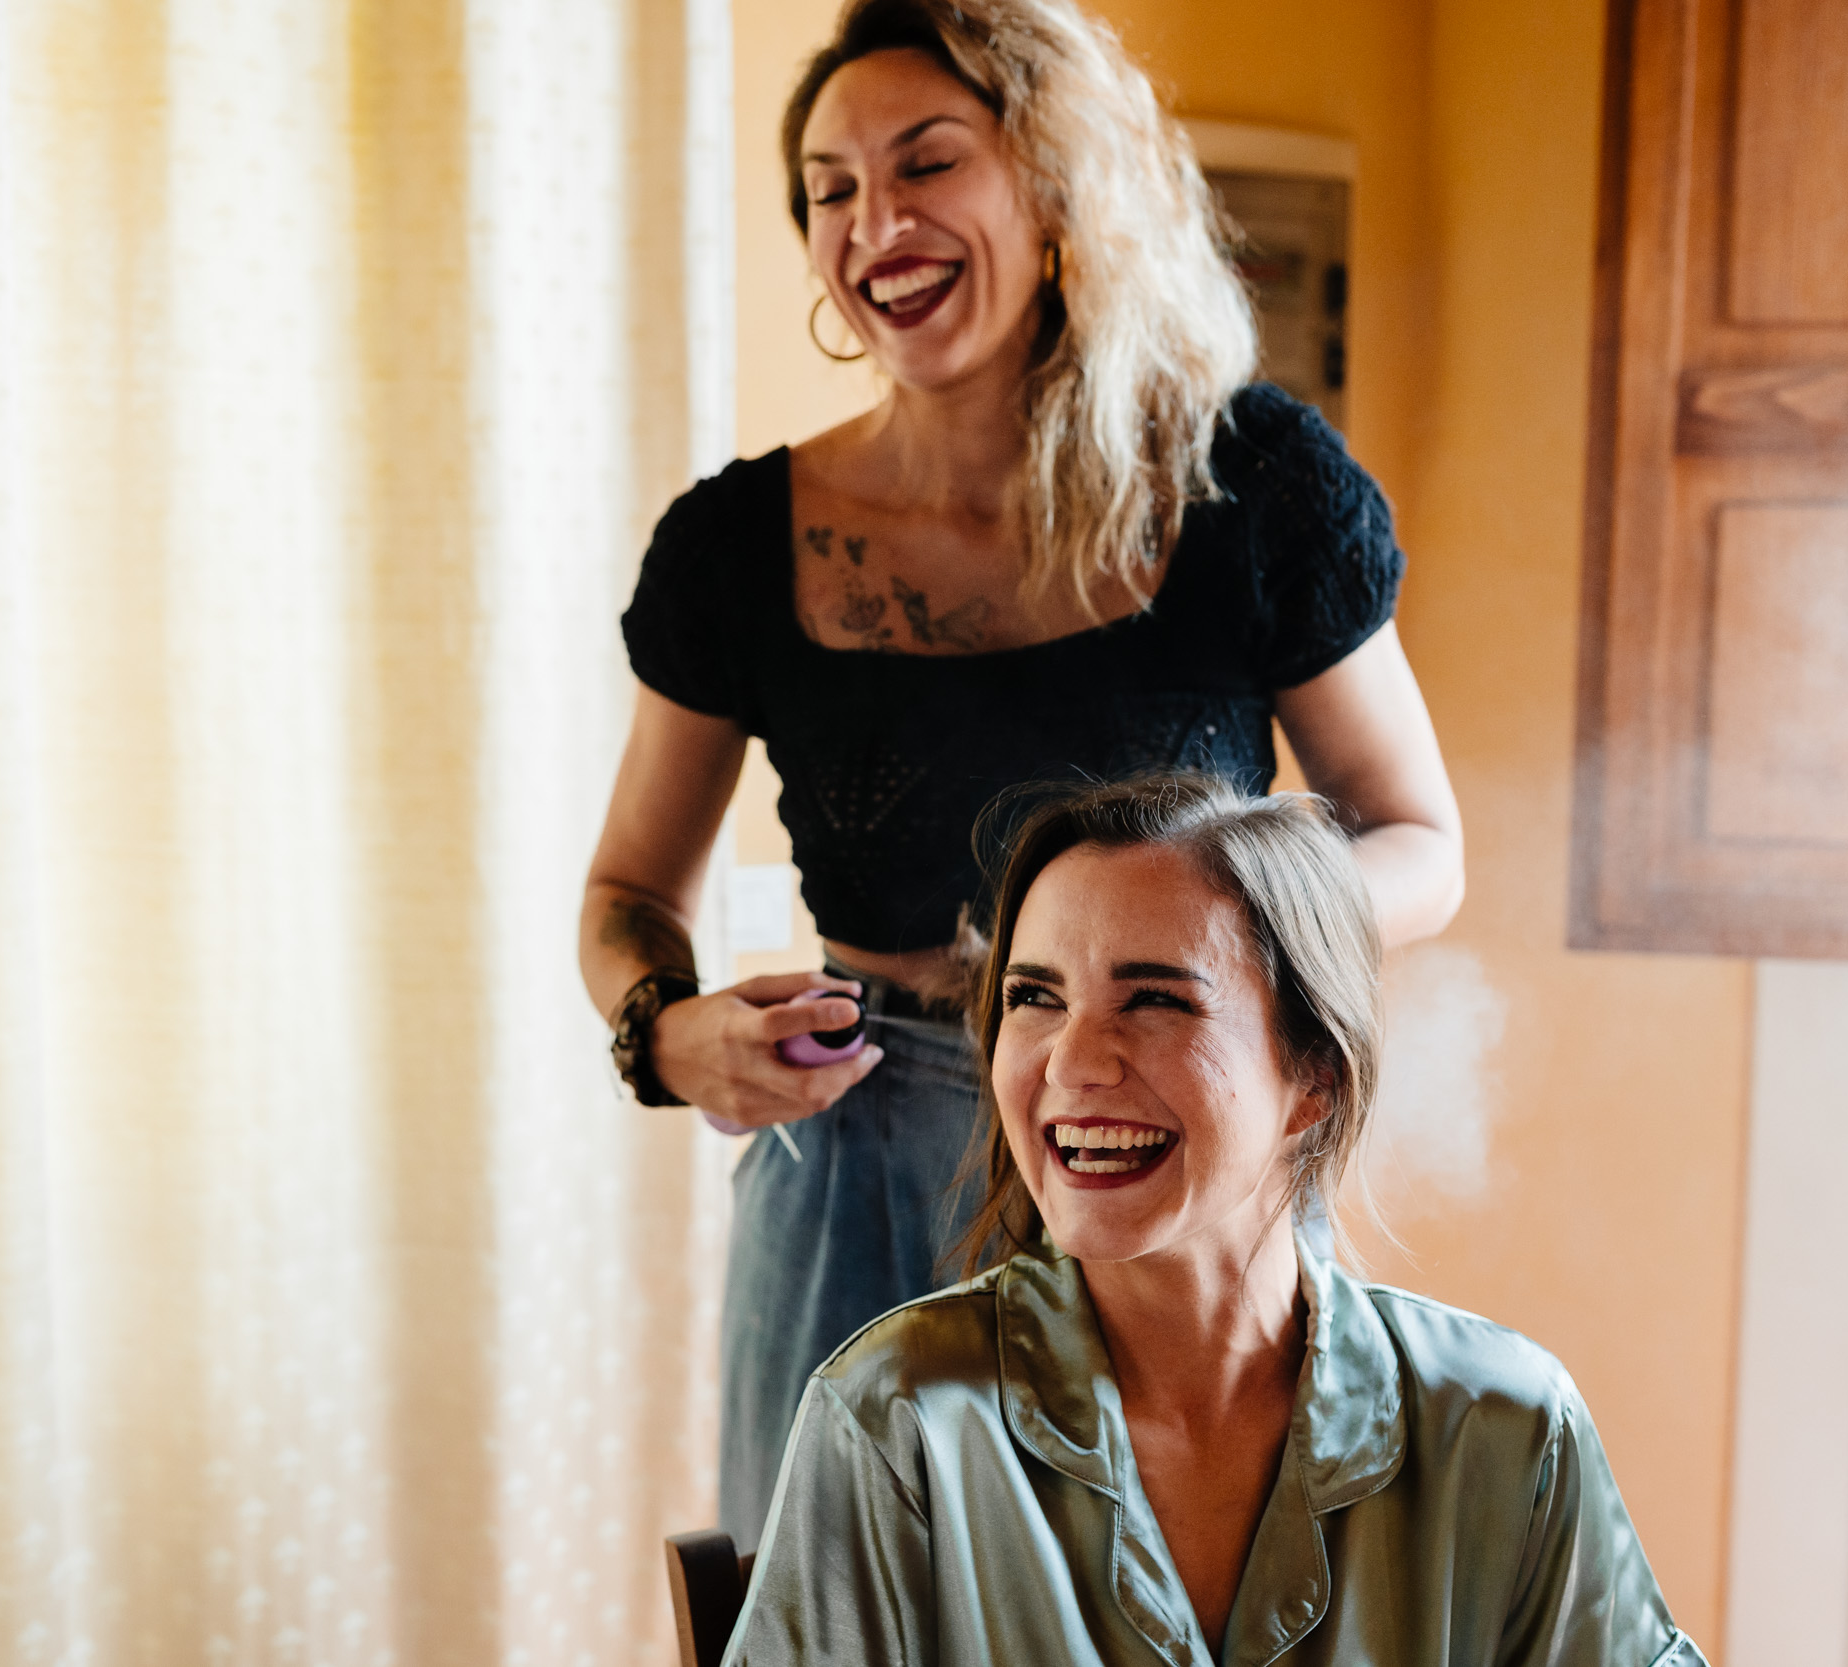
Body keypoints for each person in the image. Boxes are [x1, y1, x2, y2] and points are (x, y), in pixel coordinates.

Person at [579, 0, 1463, 1552]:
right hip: (853, 1166)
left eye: (927, 163)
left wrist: (1219, 930)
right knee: (837, 1616)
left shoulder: (1250, 486)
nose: (875, 223)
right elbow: (628, 892)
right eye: (832, 188)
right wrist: (669, 1030)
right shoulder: (734, 548)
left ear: (1052, 185)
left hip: (1175, 1147)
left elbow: (1418, 838)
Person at [725, 774, 1702, 1667]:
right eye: (1034, 996)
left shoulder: (1507, 1424)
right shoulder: (894, 1417)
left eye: (1154, 999)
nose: (1071, 1062)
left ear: (1314, 1078)